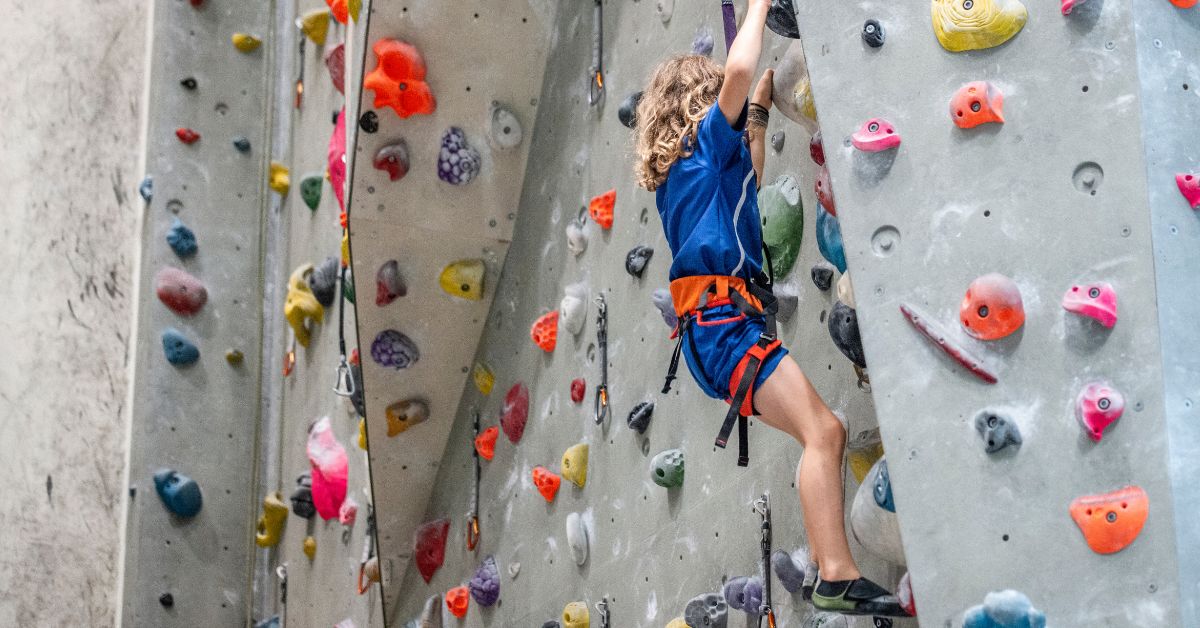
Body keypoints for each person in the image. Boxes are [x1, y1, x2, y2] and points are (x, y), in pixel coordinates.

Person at [633, 0, 906, 617]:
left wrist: (758, 111)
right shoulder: (699, 153)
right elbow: (733, 77)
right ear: (697, 106)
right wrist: (757, 8)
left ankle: (835, 570)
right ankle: (834, 573)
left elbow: (748, 178)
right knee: (824, 431)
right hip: (724, 327)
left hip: (719, 330)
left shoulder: (691, 179)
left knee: (825, 433)